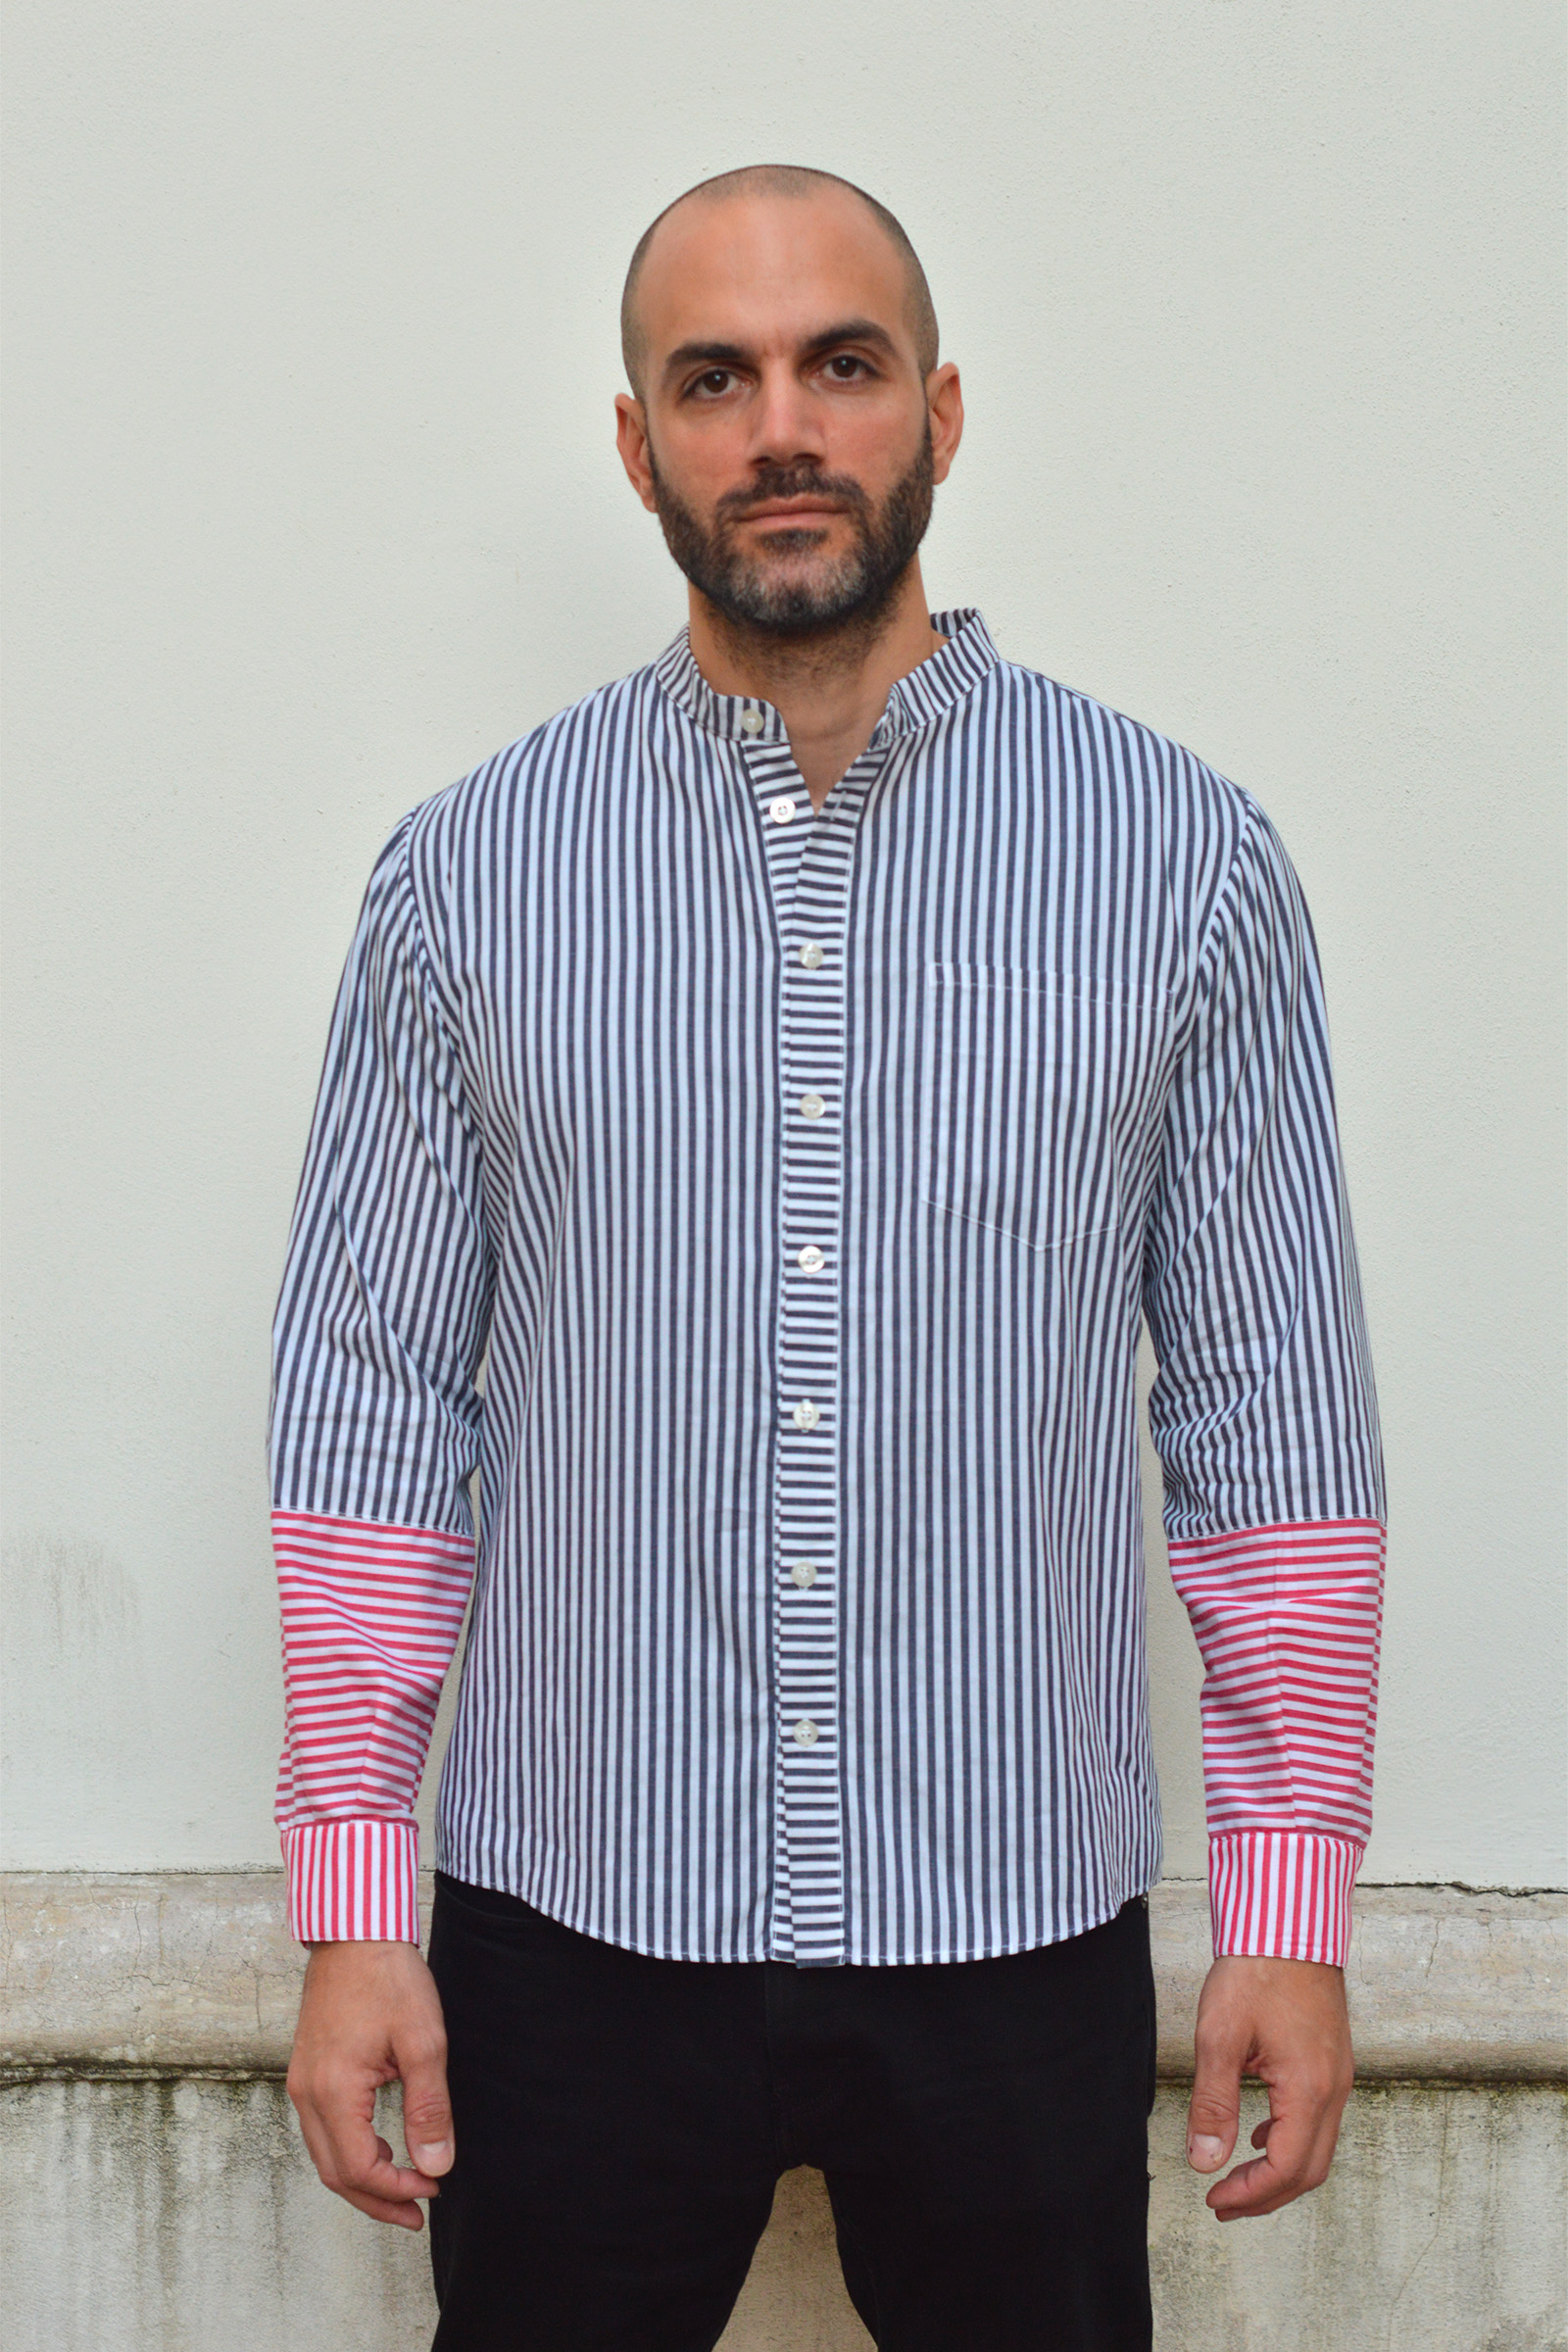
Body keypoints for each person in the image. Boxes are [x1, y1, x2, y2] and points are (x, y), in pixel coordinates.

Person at [272, 166, 1385, 2351]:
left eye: (840, 365)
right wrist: (349, 1904)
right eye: (715, 379)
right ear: (638, 445)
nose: (781, 428)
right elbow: (377, 1416)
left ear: (939, 413)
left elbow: (1270, 1421)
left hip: (1013, 1927)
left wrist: (1287, 1910)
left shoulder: (1181, 864)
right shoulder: (466, 878)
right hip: (569, 1924)